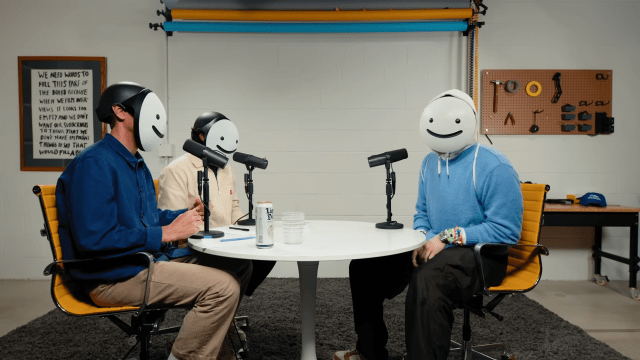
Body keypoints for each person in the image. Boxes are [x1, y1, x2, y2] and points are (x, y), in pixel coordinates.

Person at [56, 82, 250, 360]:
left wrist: (182, 217)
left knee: (238, 264)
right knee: (223, 289)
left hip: (143, 260)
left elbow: (147, 217)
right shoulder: (96, 163)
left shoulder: (134, 162)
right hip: (113, 275)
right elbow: (94, 239)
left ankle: (221, 350)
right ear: (120, 112)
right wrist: (166, 233)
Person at [333, 89, 523, 360]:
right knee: (364, 268)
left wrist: (446, 237)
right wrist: (421, 237)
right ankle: (370, 352)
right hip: (435, 246)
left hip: (483, 255)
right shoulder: (428, 163)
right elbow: (422, 212)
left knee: (428, 278)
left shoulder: (495, 167)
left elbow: (506, 231)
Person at [158, 111, 276, 297]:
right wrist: (193, 214)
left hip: (228, 240)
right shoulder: (175, 170)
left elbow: (234, 208)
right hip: (197, 246)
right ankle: (221, 302)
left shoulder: (226, 169)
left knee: (268, 254)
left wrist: (257, 228)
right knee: (240, 264)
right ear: (202, 136)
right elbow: (170, 222)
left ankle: (227, 302)